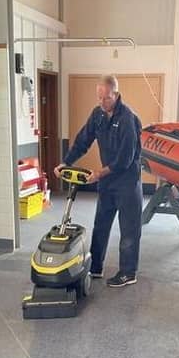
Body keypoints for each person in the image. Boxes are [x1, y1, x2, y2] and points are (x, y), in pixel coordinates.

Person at [55, 75, 143, 288]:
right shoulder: (98, 115)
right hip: (108, 183)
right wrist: (64, 163)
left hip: (127, 182)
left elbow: (125, 159)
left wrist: (98, 174)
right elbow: (82, 141)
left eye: (106, 98)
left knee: (129, 230)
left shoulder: (127, 118)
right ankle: (95, 267)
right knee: (101, 224)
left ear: (116, 94)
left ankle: (128, 272)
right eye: (99, 98)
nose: (102, 103)